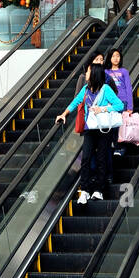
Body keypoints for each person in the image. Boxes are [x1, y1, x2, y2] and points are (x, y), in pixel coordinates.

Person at [57, 61, 124, 203]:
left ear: (94, 74)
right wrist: (64, 114)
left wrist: (103, 109)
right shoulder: (86, 90)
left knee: (101, 158)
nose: (86, 74)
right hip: (89, 129)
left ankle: (99, 190)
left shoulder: (105, 89)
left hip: (103, 129)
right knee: (86, 158)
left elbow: (119, 105)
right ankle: (85, 190)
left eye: (88, 72)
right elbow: (75, 102)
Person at [105, 47, 133, 162]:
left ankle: (120, 147)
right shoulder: (106, 72)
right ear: (109, 58)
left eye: (118, 56)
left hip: (123, 102)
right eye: (113, 56)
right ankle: (114, 145)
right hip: (110, 103)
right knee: (112, 125)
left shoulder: (124, 71)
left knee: (121, 126)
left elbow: (128, 88)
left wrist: (130, 107)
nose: (116, 58)